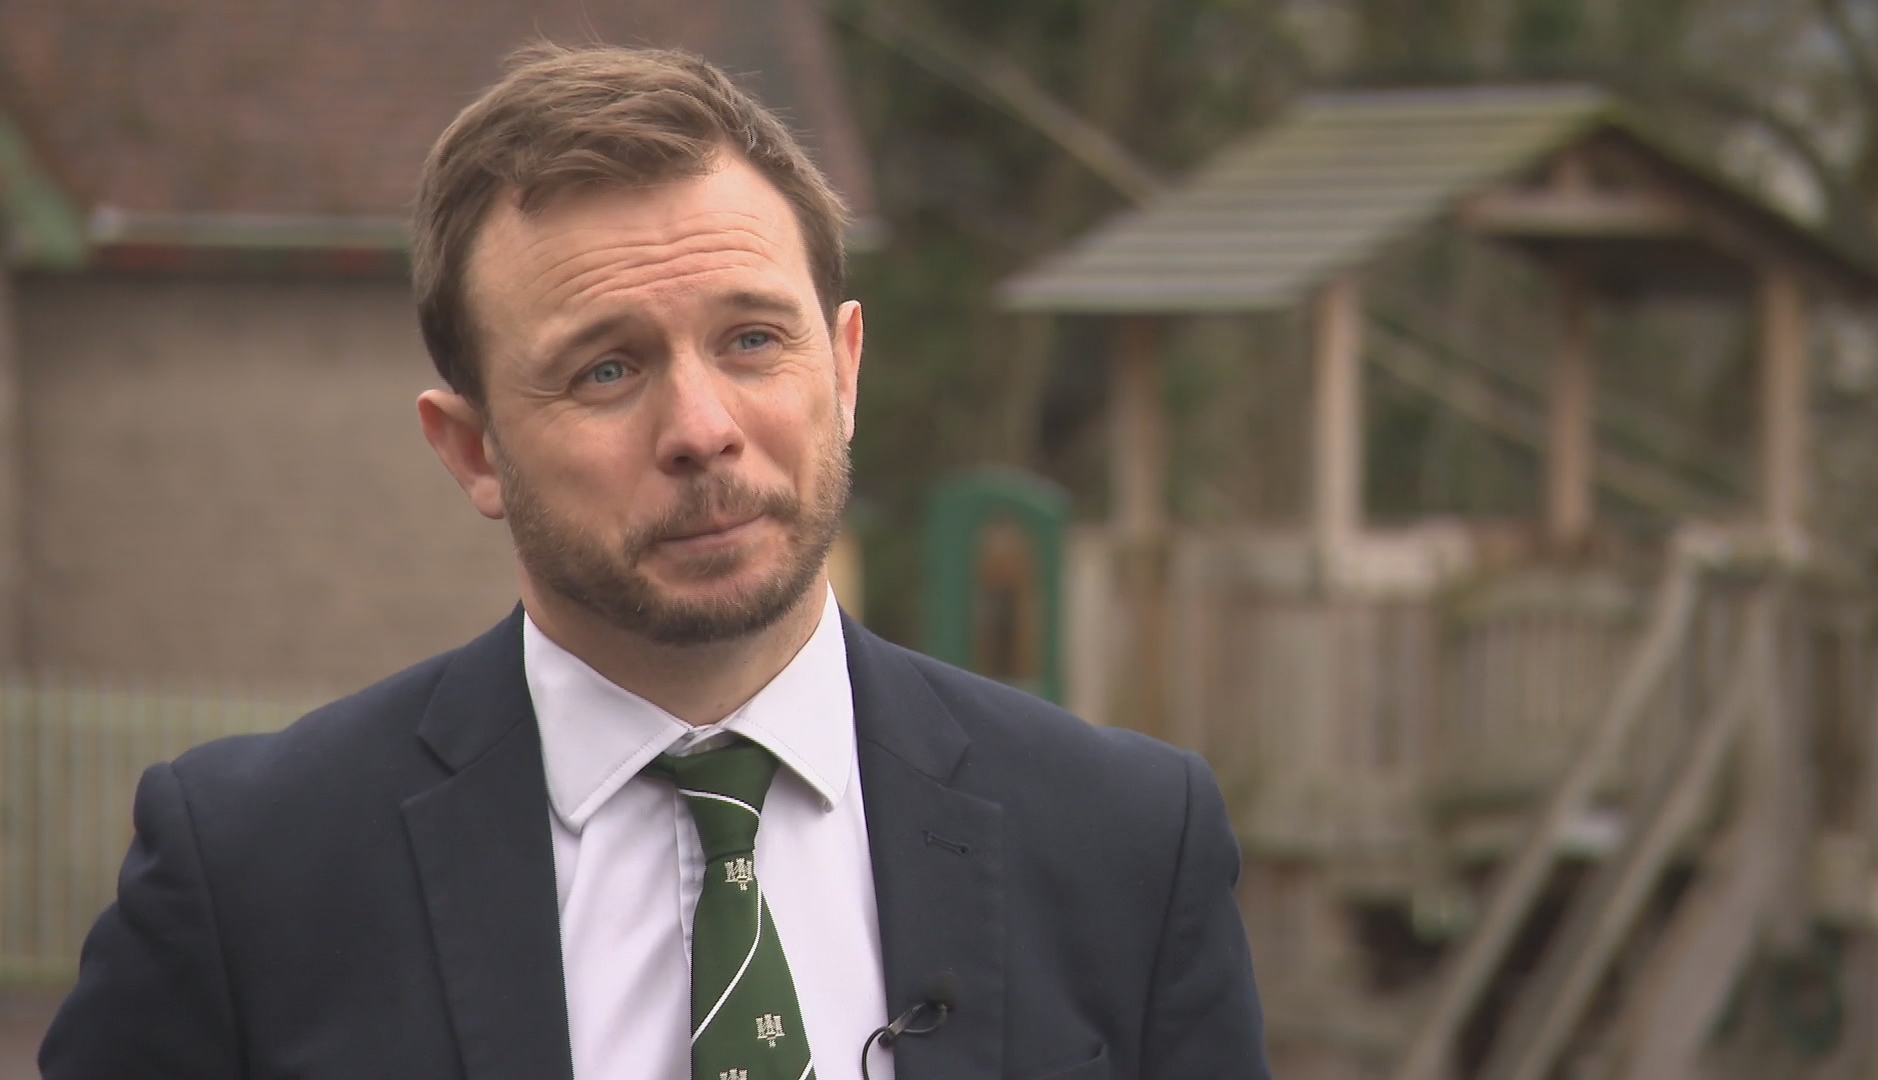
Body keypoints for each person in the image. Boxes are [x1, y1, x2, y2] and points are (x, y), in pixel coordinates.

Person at [38, 42, 1268, 1080]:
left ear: (844, 369)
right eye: (608, 369)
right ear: (472, 449)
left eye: (752, 340)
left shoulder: (1124, 845)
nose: (701, 429)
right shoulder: (254, 874)